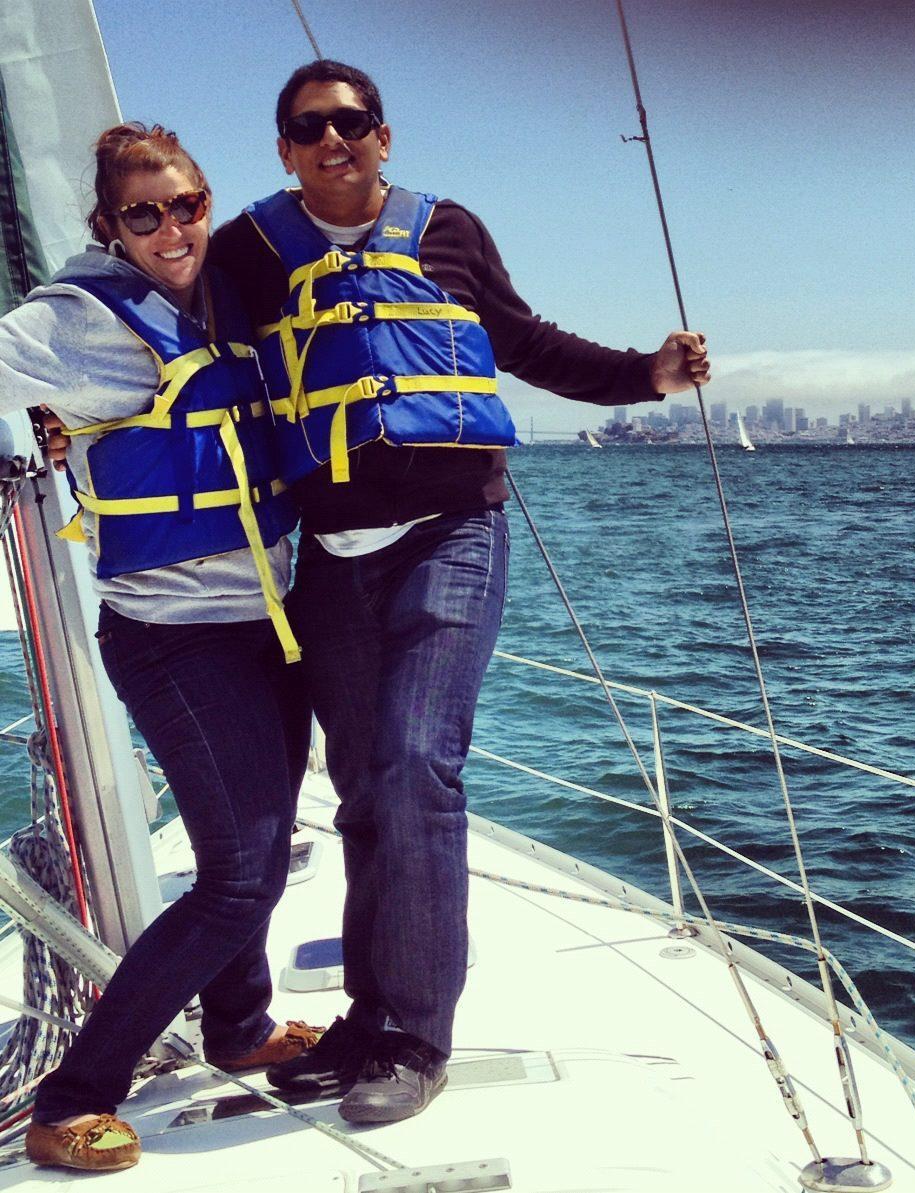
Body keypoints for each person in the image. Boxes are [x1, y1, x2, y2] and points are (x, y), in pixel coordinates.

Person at [205, 58, 711, 1127]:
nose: (332, 140)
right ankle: (368, 1013)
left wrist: (646, 375)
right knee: (360, 794)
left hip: (451, 533)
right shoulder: (248, 249)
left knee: (415, 767)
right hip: (331, 552)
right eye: (308, 128)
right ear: (285, 151)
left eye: (351, 123)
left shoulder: (450, 230)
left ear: (383, 137)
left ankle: (415, 1038)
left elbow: (520, 341)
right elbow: (192, 344)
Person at [0, 123, 321, 1172]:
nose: (172, 228)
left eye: (186, 205)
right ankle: (71, 1095)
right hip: (173, 636)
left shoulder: (218, 295)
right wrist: (33, 427)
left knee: (263, 855)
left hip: (264, 618)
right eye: (144, 214)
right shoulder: (72, 321)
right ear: (108, 224)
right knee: (234, 874)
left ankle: (238, 1024)